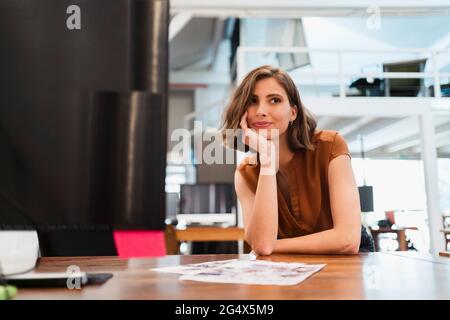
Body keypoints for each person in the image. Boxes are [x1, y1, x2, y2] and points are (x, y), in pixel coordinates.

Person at [221, 65, 374, 255]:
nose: (261, 110)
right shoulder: (246, 173)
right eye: (252, 101)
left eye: (274, 100)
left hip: (346, 257)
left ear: (293, 112)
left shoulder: (331, 145)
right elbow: (260, 244)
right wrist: (267, 160)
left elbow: (347, 240)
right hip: (288, 262)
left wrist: (271, 246)